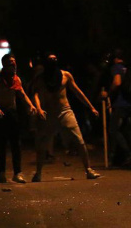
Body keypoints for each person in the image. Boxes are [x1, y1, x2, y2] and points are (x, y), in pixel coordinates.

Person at [32, 53, 100, 182]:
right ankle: (38, 173)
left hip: (65, 111)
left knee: (79, 140)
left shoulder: (65, 75)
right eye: (50, 59)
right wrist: (39, 108)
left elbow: (77, 91)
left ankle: (89, 170)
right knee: (43, 144)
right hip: (49, 113)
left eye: (54, 59)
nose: (52, 61)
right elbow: (35, 92)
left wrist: (91, 107)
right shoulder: (41, 78)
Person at [0, 54, 36, 183]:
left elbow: (22, 94)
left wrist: (31, 105)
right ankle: (2, 173)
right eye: (10, 62)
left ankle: (17, 173)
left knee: (16, 144)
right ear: (4, 64)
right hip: (1, 113)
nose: (13, 64)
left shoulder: (16, 79)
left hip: (12, 113)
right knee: (2, 144)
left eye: (14, 62)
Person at [102, 50, 131, 166]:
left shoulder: (116, 67)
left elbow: (117, 82)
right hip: (129, 102)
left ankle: (128, 154)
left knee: (113, 130)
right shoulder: (127, 68)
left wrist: (108, 93)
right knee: (125, 130)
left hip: (120, 103)